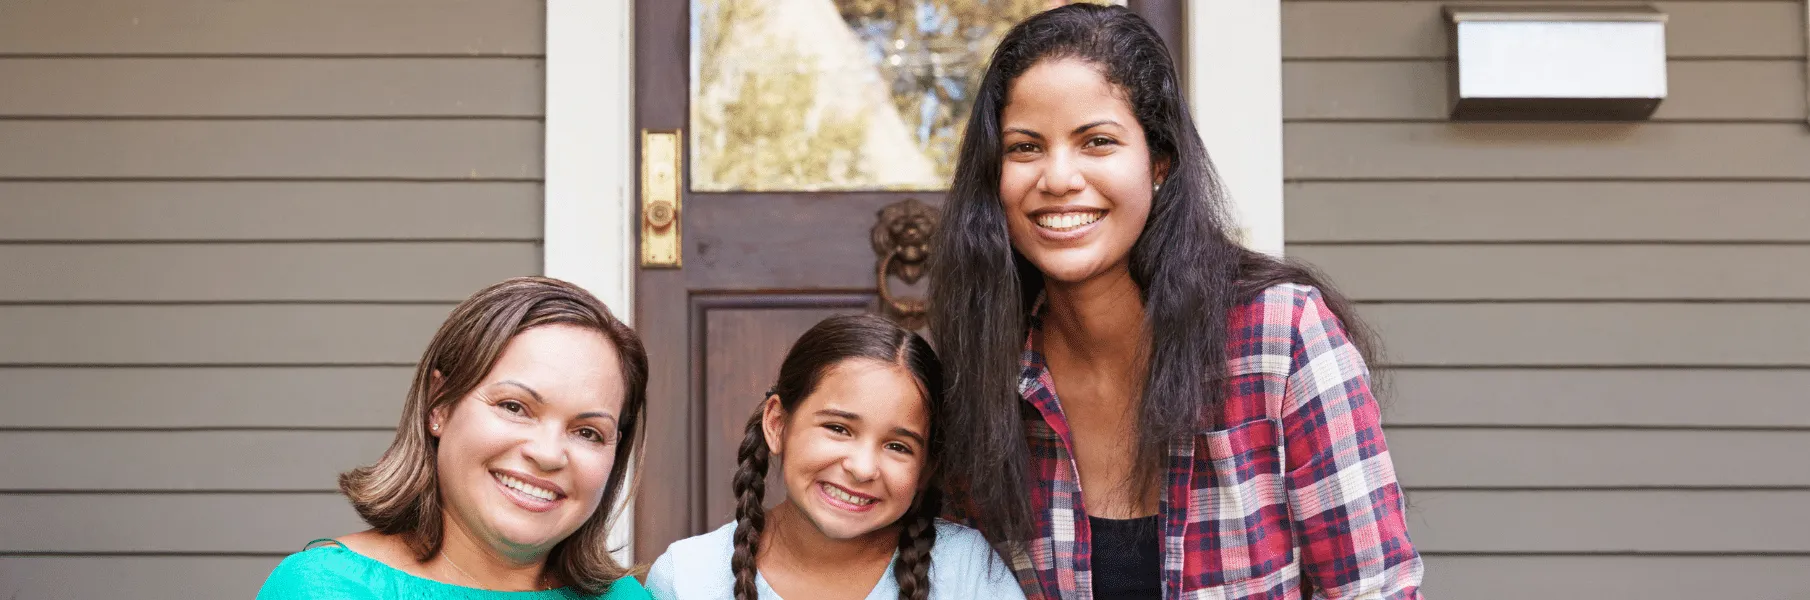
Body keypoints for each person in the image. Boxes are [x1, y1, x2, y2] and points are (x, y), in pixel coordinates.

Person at [926, 5, 1424, 599]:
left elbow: (1375, 591)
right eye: (1025, 147)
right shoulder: (987, 373)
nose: (1058, 177)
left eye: (1098, 142)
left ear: (1158, 162)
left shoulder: (1281, 336)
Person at [258, 277, 652, 599]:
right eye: (514, 407)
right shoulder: (328, 588)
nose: (548, 454)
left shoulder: (625, 598)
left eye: (587, 432)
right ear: (440, 405)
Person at [645, 314, 1024, 600]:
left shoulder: (968, 571)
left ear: (926, 469)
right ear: (777, 424)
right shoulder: (689, 576)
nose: (861, 468)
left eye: (898, 446)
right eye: (838, 429)